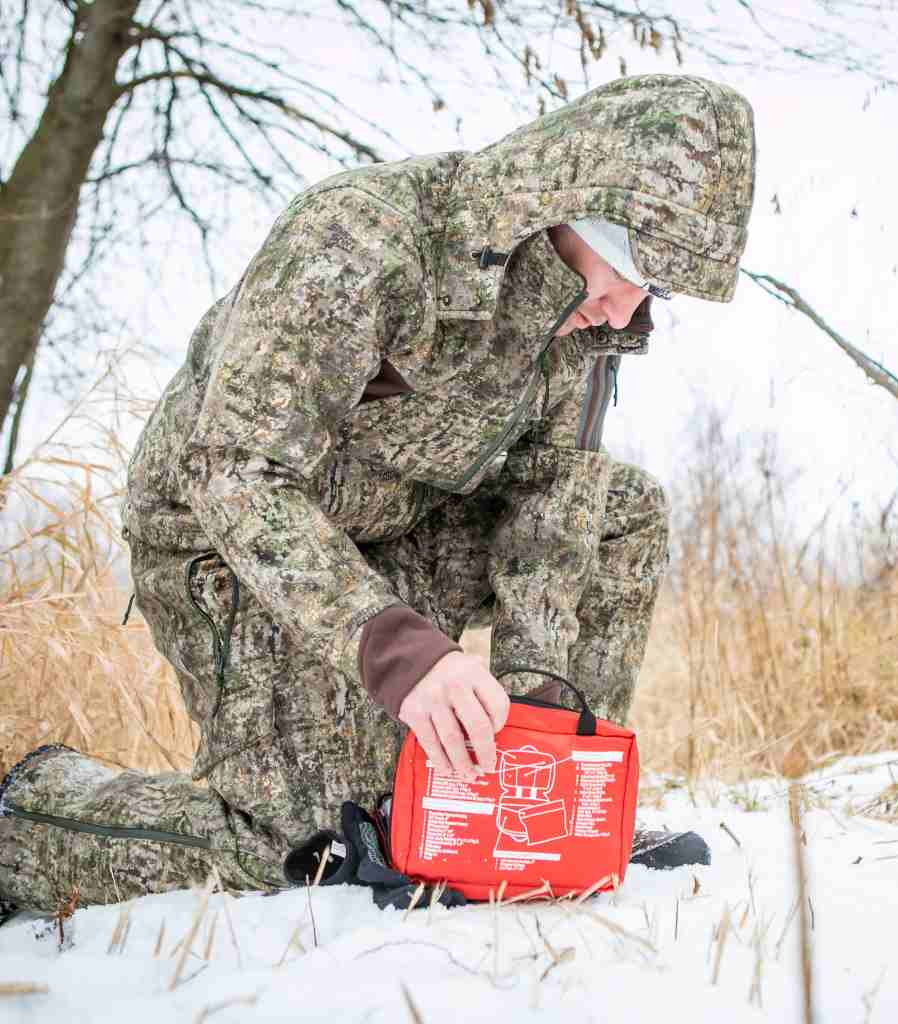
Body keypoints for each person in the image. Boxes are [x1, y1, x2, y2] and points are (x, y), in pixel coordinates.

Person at [0, 73, 755, 914]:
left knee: (620, 509)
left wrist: (540, 721)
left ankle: (550, 824)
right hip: (231, 545)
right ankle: (27, 821)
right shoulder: (361, 239)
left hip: (408, 529)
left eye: (654, 288)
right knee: (317, 847)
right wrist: (405, 655)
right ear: (558, 206)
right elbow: (231, 470)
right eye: (626, 271)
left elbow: (555, 491)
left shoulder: (585, 320)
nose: (626, 311)